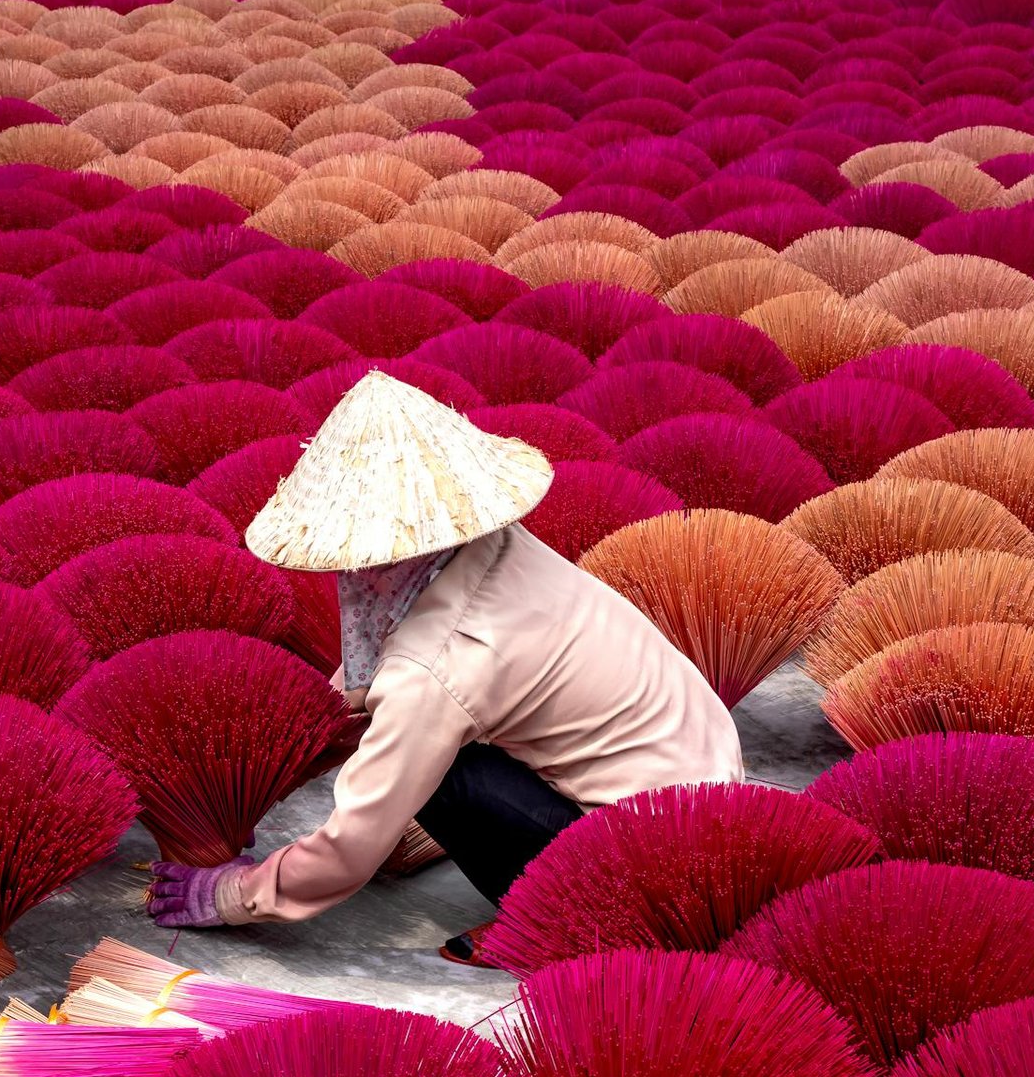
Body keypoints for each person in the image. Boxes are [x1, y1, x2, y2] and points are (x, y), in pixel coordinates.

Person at [147, 370, 745, 959]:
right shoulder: (497, 543)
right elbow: (377, 681)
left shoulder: (431, 671)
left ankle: (561, 922)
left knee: (444, 775)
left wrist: (235, 893)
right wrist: (263, 779)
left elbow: (354, 844)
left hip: (638, 869)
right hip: (718, 790)